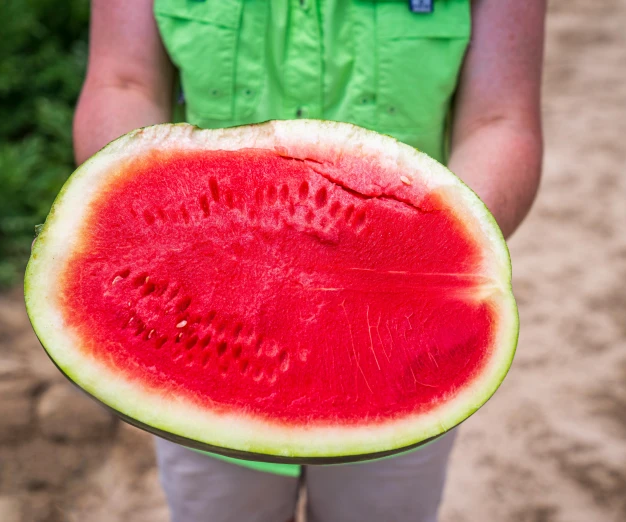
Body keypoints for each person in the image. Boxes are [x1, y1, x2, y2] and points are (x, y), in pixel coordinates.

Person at [73, 1, 545, 520]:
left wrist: (432, 258)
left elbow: (499, 120)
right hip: (201, 322)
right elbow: (123, 83)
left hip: (405, 335)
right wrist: (133, 227)